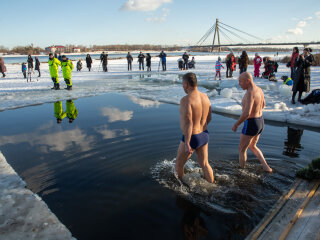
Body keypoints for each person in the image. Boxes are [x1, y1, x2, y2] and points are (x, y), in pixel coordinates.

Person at [175, 72, 214, 183]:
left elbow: (188, 122)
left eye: (183, 84)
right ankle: (213, 188)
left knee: (178, 165)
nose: (183, 87)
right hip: (204, 134)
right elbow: (210, 116)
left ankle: (179, 188)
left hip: (191, 137)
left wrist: (187, 143)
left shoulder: (186, 100)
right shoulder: (205, 97)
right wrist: (202, 127)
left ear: (187, 84)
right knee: (205, 164)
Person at [232, 72, 272, 172]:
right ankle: (266, 166)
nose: (239, 83)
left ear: (247, 81)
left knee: (242, 150)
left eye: (240, 81)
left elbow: (246, 113)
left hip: (251, 123)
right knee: (252, 146)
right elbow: (263, 104)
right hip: (260, 121)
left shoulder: (250, 92)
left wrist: (236, 124)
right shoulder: (259, 89)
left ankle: (242, 171)